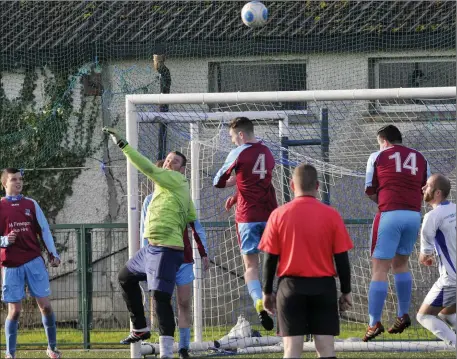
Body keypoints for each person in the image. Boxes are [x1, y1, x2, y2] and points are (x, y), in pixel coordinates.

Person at [103, 127, 196, 359]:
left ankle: (166, 353)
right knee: (125, 277)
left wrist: (123, 145)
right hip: (151, 250)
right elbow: (191, 215)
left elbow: (145, 166)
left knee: (160, 298)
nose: (168, 164)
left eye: (174, 162)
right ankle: (140, 328)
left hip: (166, 250)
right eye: (166, 160)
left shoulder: (175, 179)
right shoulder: (165, 190)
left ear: (182, 170)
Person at [259, 164, 353, 359]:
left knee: (292, 349)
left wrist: (267, 292)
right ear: (318, 186)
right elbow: (342, 259)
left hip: (290, 288)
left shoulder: (278, 215)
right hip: (324, 287)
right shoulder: (332, 215)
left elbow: (270, 259)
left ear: (292, 185)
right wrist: (346, 291)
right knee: (326, 348)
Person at [364, 124, 430, 341]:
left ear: (383, 140)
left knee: (379, 268)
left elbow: (370, 189)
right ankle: (402, 314)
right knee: (401, 264)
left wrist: (386, 201)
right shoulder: (420, 158)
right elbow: (425, 189)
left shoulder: (377, 156)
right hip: (413, 216)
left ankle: (373, 323)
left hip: (389, 214)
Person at [140, 160, 209, 359]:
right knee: (163, 302)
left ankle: (185, 347)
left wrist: (203, 253)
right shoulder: (149, 200)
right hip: (160, 260)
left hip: (183, 258)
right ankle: (166, 348)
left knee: (184, 302)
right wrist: (147, 258)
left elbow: (196, 227)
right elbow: (145, 232)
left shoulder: (183, 197)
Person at [213, 117, 277, 331]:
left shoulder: (239, 152)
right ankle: (280, 306)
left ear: (241, 134)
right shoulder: (267, 152)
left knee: (251, 267)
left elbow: (218, 181)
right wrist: (238, 192)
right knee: (274, 263)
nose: (233, 142)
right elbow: (258, 181)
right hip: (269, 215)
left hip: (248, 217)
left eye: (233, 137)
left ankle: (260, 303)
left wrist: (233, 182)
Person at [0, 168, 61, 359]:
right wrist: (4, 241)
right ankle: (10, 353)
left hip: (33, 260)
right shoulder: (0, 206)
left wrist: (53, 253)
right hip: (11, 264)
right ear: (4, 184)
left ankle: (52, 348)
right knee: (15, 311)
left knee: (45, 306)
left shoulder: (31, 204)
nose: (18, 183)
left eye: (20, 179)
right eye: (13, 180)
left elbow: (44, 230)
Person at [416, 174, 456, 348]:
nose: (423, 188)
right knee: (446, 313)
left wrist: (425, 258)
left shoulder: (432, 217)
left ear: (437, 193)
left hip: (451, 280)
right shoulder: (454, 208)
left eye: (427, 186)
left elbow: (424, 256)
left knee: (423, 316)